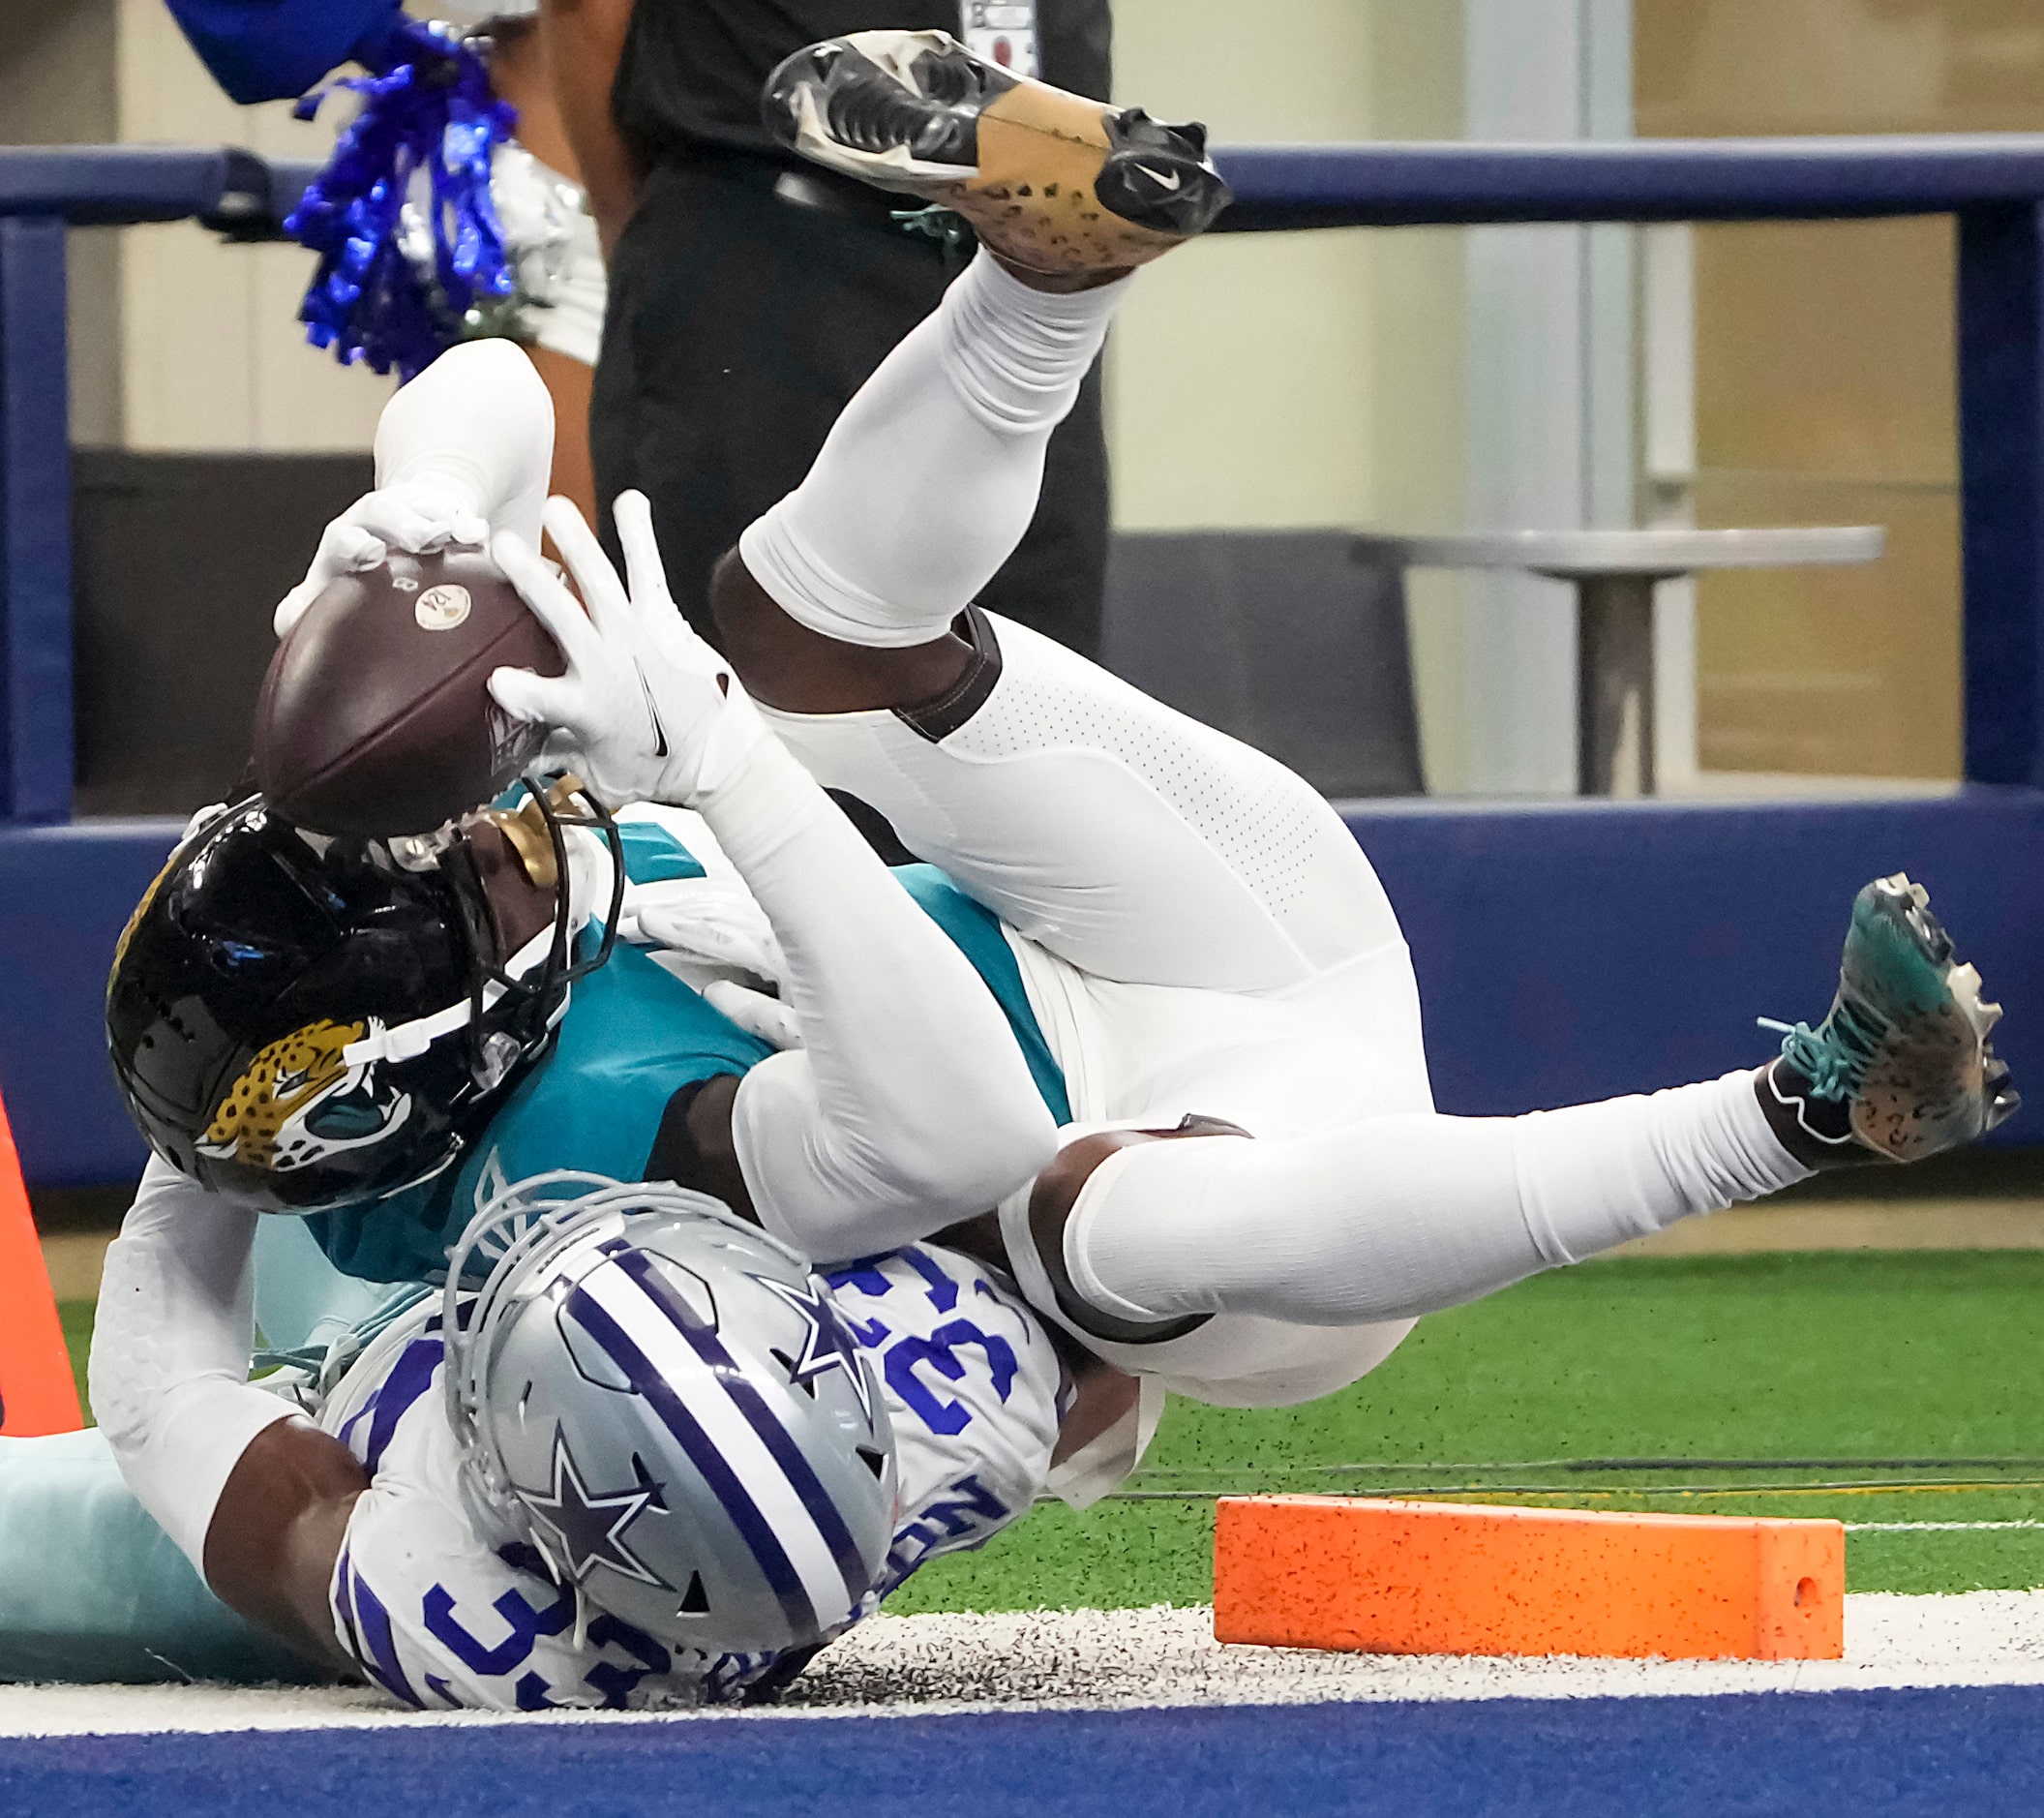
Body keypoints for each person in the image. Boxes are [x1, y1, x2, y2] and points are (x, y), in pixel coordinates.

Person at [477, 33, 2018, 1439]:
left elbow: (481, 410)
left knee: (807, 643)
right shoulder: (554, 1157)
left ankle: (1040, 281)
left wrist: (455, 557)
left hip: (1188, 929)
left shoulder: (578, 873)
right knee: (1092, 1216)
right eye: (454, 886)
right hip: (1222, 1188)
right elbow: (1010, 1292)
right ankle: (1804, 1111)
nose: (471, 861)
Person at [1, 1170, 1067, 1705]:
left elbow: (164, 1393)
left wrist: (196, 1132)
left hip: (351, 1435)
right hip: (440, 1347)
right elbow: (1103, 1320)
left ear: (523, 1503)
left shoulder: (470, 1613)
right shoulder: (976, 1381)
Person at [539, 0, 1117, 656]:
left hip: (1035, 271)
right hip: (775, 267)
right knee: (745, 698)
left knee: (1034, 697)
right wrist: (647, 234)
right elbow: (587, 14)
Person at [164, 0, 606, 518]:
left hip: (669, 194)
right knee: (564, 581)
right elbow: (260, 39)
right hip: (556, 224)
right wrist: (384, 37)